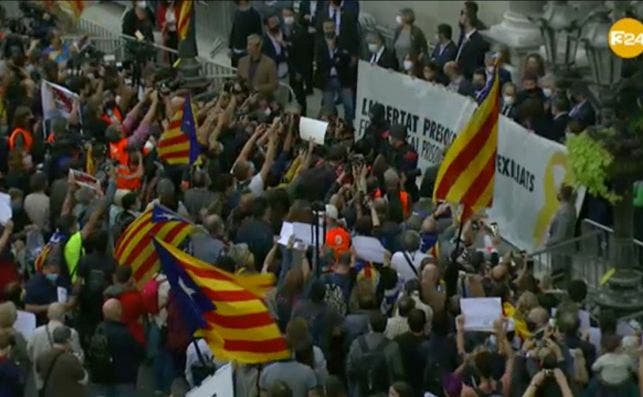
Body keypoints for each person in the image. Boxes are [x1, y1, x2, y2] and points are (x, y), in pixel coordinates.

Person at [91, 299, 144, 397]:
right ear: (119, 312)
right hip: (123, 379)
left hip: (102, 378)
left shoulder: (99, 330)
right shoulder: (125, 333)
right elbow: (137, 353)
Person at [345, 312, 405, 396]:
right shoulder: (393, 346)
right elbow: (398, 374)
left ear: (369, 325)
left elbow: (349, 369)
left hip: (360, 391)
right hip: (384, 392)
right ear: (385, 327)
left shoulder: (357, 343)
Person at [27, 302, 84, 390]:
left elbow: (29, 352)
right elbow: (78, 357)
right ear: (64, 315)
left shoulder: (36, 333)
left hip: (42, 380)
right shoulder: (71, 333)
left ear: (48, 315)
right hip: (65, 381)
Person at [315, 19, 355, 126]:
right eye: (327, 28)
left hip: (342, 78)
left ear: (335, 28)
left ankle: (349, 127)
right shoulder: (319, 43)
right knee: (328, 108)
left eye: (331, 27)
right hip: (327, 79)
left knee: (349, 106)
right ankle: (330, 129)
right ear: (323, 29)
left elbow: (346, 59)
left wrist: (335, 52)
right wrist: (335, 58)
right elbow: (320, 63)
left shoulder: (342, 41)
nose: (329, 30)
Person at [35, 325, 88, 397]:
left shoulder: (42, 356)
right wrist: (80, 363)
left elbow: (39, 373)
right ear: (68, 340)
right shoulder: (71, 359)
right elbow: (82, 378)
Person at [282, 6, 310, 114]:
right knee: (286, 96)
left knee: (299, 96)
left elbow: (304, 55)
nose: (287, 18)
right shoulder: (281, 31)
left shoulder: (300, 32)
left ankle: (303, 117)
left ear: (294, 16)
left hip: (297, 69)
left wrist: (300, 72)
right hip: (284, 70)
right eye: (285, 16)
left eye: (289, 15)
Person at [455, 1, 489, 80]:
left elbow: (474, 64)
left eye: (462, 13)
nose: (460, 16)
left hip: (467, 76)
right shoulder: (463, 32)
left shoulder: (477, 40)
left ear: (468, 16)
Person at [229, 0, 263, 67]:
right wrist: (230, 47)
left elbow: (258, 34)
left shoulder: (254, 14)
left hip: (248, 52)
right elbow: (234, 31)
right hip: (236, 51)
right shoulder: (236, 12)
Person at [262, 14, 290, 81]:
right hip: (272, 77)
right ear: (266, 27)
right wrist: (284, 56)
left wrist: (282, 42)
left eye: (277, 22)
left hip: (286, 75)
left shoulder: (283, 36)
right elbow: (271, 59)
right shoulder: (263, 41)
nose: (276, 25)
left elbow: (291, 51)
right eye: (272, 23)